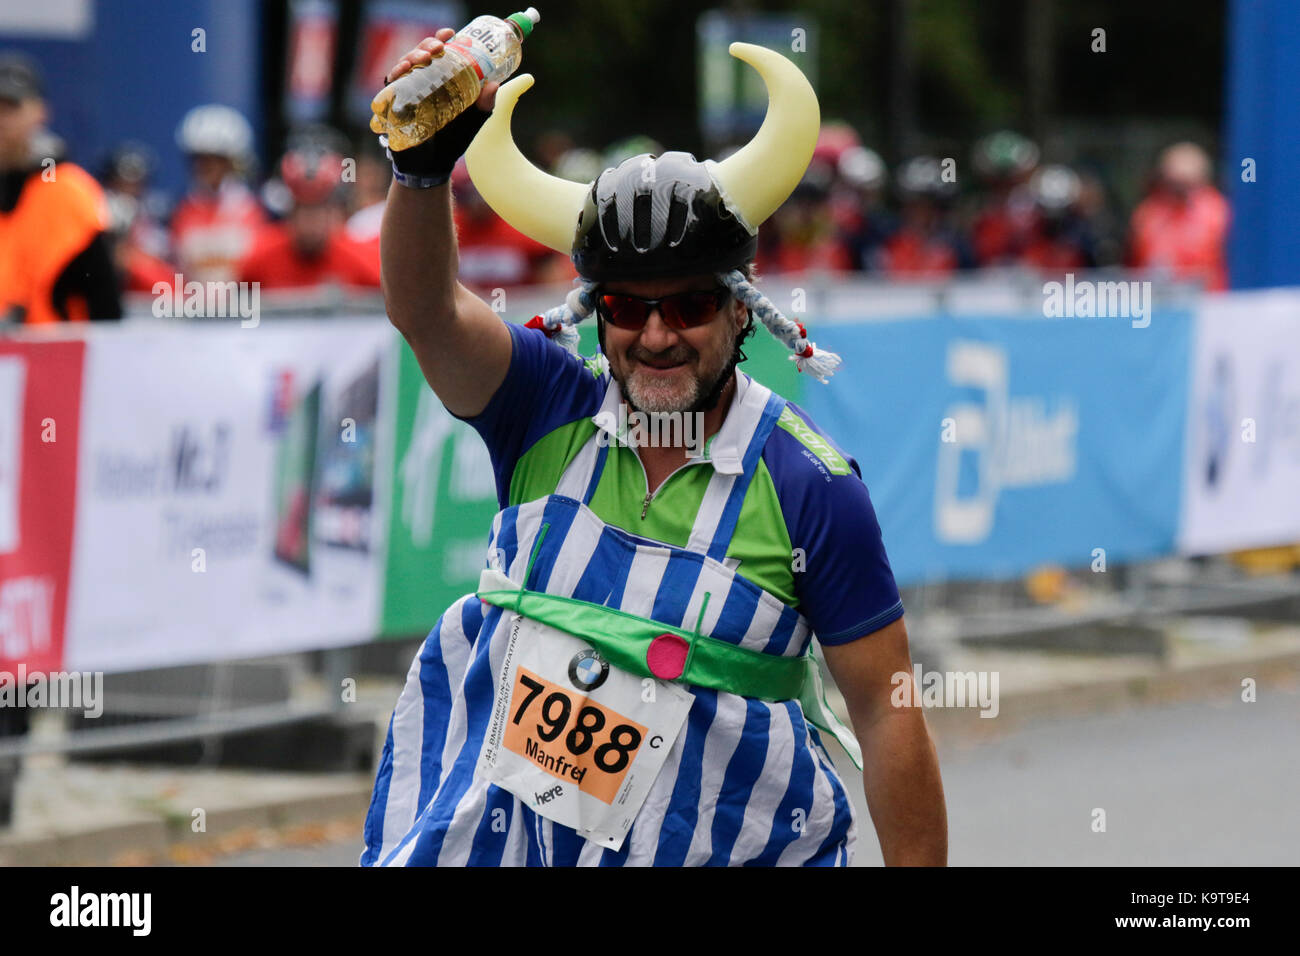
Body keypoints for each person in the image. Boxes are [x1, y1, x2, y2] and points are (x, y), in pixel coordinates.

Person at [362, 31, 946, 867]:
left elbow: (887, 711)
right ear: (594, 312)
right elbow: (423, 308)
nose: (659, 335)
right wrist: (420, 174)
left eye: (691, 305)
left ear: (744, 310)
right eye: (628, 308)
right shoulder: (541, 405)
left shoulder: (811, 487)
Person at [0, 52, 121, 324]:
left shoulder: (69, 192)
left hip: (52, 358)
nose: (2, 119)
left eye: (11, 107)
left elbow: (104, 304)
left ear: (40, 112)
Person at [238, 138, 381, 291]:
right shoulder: (259, 260)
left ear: (331, 214)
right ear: (290, 215)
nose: (310, 222)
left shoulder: (358, 260)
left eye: (317, 211)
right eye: (303, 211)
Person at [170, 104, 266, 284]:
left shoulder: (255, 208)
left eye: (214, 160)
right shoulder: (179, 210)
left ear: (232, 162)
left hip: (244, 305)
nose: (205, 168)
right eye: (199, 159)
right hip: (193, 305)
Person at [1128, 142, 1229, 291]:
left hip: (1209, 304)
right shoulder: (1148, 214)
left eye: (1186, 183)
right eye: (1173, 183)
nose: (1179, 190)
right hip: (1160, 302)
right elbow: (1136, 263)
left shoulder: (1218, 212)